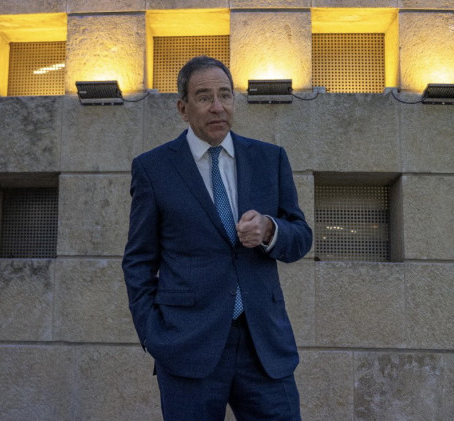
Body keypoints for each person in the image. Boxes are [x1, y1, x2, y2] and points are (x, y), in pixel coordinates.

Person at [122, 56, 312, 420]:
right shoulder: (153, 169)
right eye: (204, 97)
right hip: (187, 347)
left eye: (225, 95)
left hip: (263, 346)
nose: (217, 106)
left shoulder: (269, 159)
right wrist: (153, 334)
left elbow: (301, 236)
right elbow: (139, 260)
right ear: (183, 108)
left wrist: (270, 229)